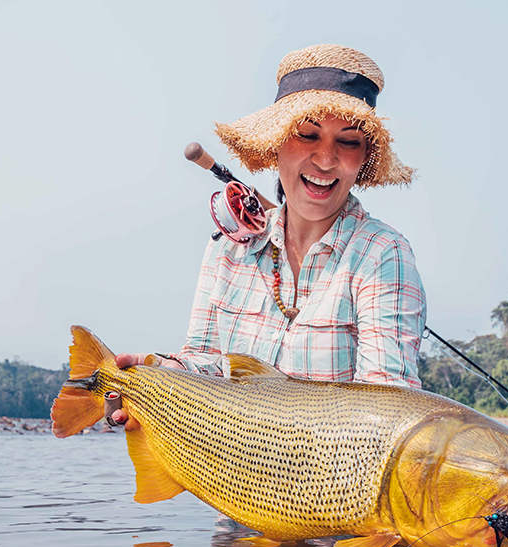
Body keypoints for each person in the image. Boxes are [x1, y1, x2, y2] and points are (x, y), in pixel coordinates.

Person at [113, 44, 425, 410]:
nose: (326, 160)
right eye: (308, 135)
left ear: (364, 157)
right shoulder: (227, 248)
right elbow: (203, 360)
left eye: (348, 141)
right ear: (275, 143)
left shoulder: (383, 254)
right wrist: (161, 371)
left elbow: (386, 402)